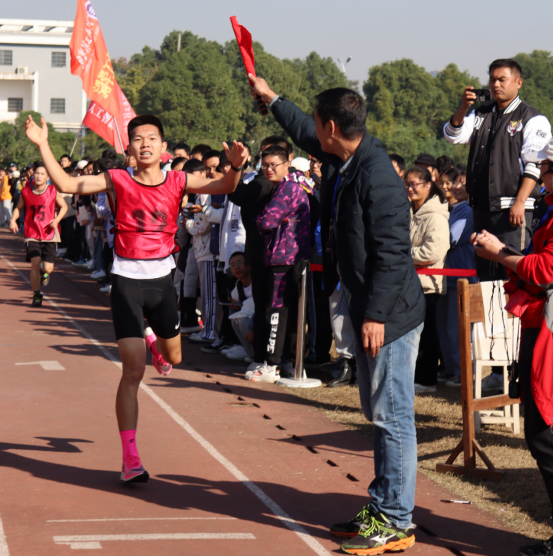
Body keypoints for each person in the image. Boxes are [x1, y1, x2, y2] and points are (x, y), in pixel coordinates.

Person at [251, 75, 425, 554]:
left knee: (393, 416)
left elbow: (393, 254)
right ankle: (384, 503)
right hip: (368, 304)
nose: (312, 131)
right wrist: (272, 98)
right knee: (377, 411)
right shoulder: (344, 155)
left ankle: (397, 519)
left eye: (317, 122)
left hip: (390, 315)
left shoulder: (378, 176)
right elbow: (302, 131)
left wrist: (375, 316)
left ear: (332, 126)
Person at [24, 113, 248, 483]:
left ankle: (156, 344)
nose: (145, 144)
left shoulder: (178, 179)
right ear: (130, 147)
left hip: (162, 282)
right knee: (133, 371)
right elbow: (65, 182)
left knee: (174, 358)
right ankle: (130, 458)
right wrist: (42, 144)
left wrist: (237, 167)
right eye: (138, 139)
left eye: (152, 138)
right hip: (126, 281)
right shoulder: (116, 179)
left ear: (163, 146)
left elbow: (225, 185)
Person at [470, 152, 553, 557]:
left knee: (544, 434)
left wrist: (499, 252)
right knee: (540, 432)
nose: (537, 176)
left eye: (544, 168)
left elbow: (545, 271)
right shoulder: (548, 208)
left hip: (549, 333)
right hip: (540, 327)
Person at [444, 58, 552, 282]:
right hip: (481, 208)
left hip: (513, 211)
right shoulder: (481, 114)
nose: (495, 84)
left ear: (518, 82)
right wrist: (464, 107)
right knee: (486, 280)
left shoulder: (533, 118)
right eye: (492, 79)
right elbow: (453, 135)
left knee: (513, 274)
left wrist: (520, 202)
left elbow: (534, 163)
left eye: (502, 79)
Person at [247, 145, 311, 383]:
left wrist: (263, 219)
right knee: (288, 313)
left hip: (285, 257)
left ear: (287, 164)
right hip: (290, 256)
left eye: (274, 165)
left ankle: (272, 365)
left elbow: (266, 221)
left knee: (277, 312)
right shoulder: (289, 186)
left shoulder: (288, 188)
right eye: (265, 165)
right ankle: (289, 364)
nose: (269, 169)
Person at [405, 166, 450, 393]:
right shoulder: (408, 212)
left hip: (428, 285)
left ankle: (427, 380)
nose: (410, 188)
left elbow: (433, 252)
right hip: (409, 283)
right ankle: (414, 376)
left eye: (414, 184)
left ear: (428, 186)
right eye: (407, 184)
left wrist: (404, 255)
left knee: (427, 334)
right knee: (411, 333)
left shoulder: (437, 216)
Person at [437, 171, 477, 387]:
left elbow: (449, 239)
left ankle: (462, 374)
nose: (458, 186)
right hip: (447, 278)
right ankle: (450, 369)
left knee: (457, 329)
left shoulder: (468, 211)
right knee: (444, 327)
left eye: (463, 183)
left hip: (462, 279)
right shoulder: (452, 209)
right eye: (456, 182)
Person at [9, 163, 68, 306]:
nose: (39, 176)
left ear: (47, 177)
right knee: (35, 263)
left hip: (49, 233)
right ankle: (36, 294)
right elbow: (19, 208)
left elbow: (64, 207)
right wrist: (13, 220)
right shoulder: (26, 192)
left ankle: (45, 273)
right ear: (33, 175)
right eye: (37, 173)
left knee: (48, 268)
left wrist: (57, 219)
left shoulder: (53, 190)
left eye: (42, 174)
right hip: (32, 232)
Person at [225, 251, 254, 361]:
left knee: (243, 321)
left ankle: (261, 356)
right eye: (232, 265)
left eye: (240, 262)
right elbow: (235, 300)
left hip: (264, 320)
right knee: (234, 318)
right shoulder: (239, 285)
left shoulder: (258, 281)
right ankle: (251, 354)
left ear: (248, 265)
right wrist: (236, 304)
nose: (236, 267)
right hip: (253, 317)